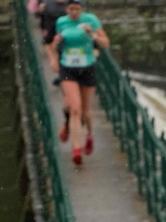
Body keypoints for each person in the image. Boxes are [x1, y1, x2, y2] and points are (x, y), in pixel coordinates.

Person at [53, 0, 108, 166]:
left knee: (85, 110)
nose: (74, 12)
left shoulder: (91, 20)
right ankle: (76, 149)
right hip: (68, 68)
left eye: (77, 9)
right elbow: (57, 45)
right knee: (75, 108)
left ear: (82, 9)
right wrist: (56, 45)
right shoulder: (61, 22)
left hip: (87, 67)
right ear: (66, 9)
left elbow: (105, 43)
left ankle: (89, 134)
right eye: (71, 9)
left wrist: (92, 33)